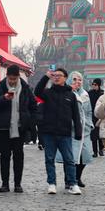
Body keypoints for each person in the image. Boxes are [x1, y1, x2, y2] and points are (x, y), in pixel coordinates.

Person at [0, 64, 37, 193]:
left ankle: (17, 184)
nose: (12, 81)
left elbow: (33, 107)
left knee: (18, 156)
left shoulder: (26, 89)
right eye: (10, 78)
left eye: (14, 79)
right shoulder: (0, 88)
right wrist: (3, 98)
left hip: (20, 128)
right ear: (7, 77)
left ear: (18, 77)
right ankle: (5, 184)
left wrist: (30, 124)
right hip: (4, 128)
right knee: (5, 156)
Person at [34, 67, 83, 195]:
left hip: (65, 132)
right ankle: (52, 183)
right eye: (54, 75)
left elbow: (76, 116)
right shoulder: (48, 93)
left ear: (65, 78)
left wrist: (78, 131)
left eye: (59, 75)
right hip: (49, 132)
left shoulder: (71, 95)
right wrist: (46, 77)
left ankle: (72, 184)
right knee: (49, 159)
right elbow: (37, 91)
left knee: (69, 160)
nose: (56, 77)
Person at [61, 72, 94, 188]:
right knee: (70, 156)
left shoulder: (85, 94)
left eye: (79, 80)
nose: (77, 82)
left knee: (85, 155)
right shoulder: (67, 93)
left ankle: (77, 177)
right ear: (70, 80)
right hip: (71, 130)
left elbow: (89, 111)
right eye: (74, 79)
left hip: (84, 130)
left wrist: (89, 124)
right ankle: (68, 179)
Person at [88, 78, 104, 157]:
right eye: (93, 84)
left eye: (95, 85)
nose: (93, 86)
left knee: (100, 134)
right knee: (94, 135)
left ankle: (101, 149)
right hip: (92, 116)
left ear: (99, 85)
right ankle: (95, 151)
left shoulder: (102, 93)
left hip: (100, 116)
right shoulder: (89, 93)